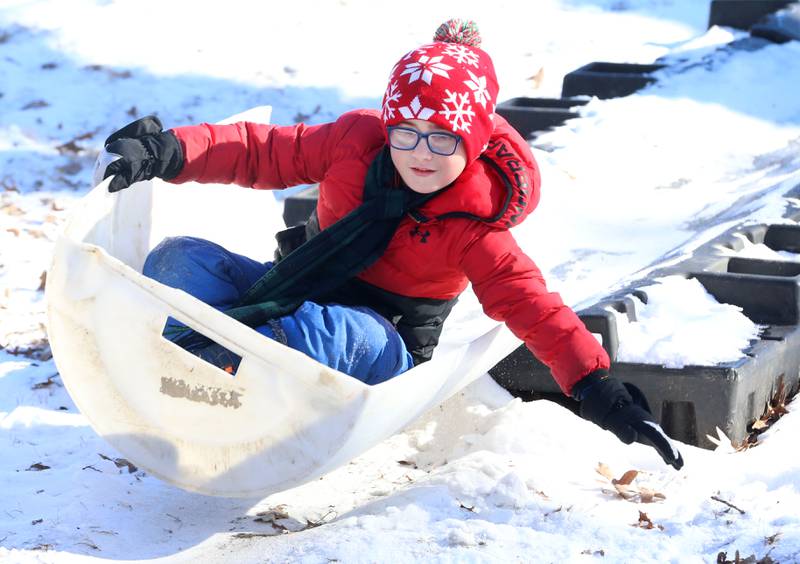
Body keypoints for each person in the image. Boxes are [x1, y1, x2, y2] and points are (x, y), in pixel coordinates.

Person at [97, 20, 684, 470]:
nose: (421, 153)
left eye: (443, 138)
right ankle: (175, 358)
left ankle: (222, 376)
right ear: (387, 124)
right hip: (294, 289)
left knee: (330, 331)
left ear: (474, 141)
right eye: (406, 131)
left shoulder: (473, 226)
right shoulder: (355, 142)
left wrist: (599, 390)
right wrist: (170, 151)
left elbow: (535, 307)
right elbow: (261, 151)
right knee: (182, 259)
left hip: (380, 344)